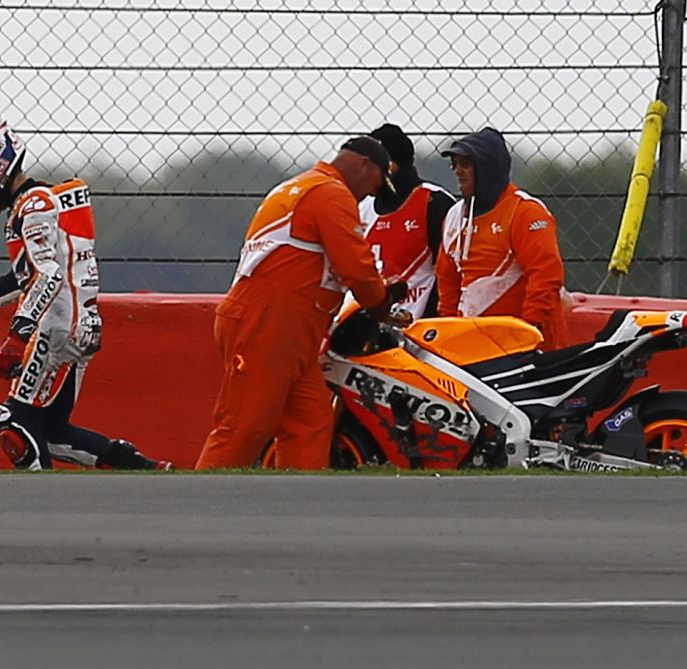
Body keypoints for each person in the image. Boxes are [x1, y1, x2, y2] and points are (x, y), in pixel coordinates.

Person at [0, 120, 171, 471]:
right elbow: (26, 274)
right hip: (81, 325)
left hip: (57, 328)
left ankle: (39, 508)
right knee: (51, 432)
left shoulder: (35, 205)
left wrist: (17, 336)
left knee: (13, 422)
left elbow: (47, 274)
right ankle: (143, 470)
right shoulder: (41, 202)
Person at [197, 136, 405, 470]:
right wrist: (380, 302)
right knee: (244, 426)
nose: (371, 194)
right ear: (365, 165)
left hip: (282, 328)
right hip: (272, 325)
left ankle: (297, 504)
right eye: (377, 183)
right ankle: (197, 507)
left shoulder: (298, 187)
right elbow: (356, 267)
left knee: (310, 421)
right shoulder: (331, 194)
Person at [436, 127, 569, 350]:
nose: (458, 171)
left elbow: (545, 276)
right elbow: (447, 282)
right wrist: (447, 336)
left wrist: (528, 330)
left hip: (526, 346)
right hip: (471, 346)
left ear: (487, 168)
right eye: (454, 165)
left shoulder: (525, 212)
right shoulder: (454, 217)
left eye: (465, 164)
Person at [361, 123, 457, 319]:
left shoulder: (434, 202)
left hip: (423, 328)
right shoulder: (362, 208)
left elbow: (452, 272)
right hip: (370, 329)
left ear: (391, 163)